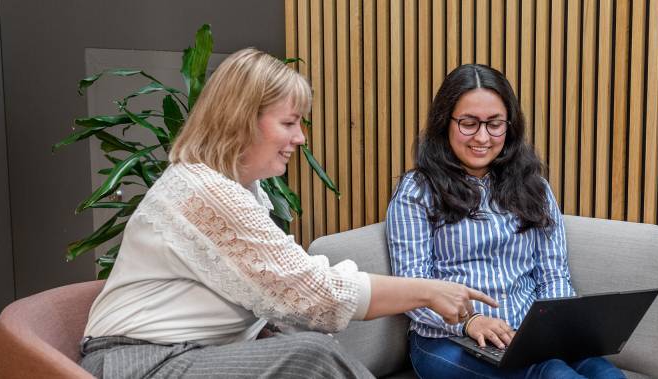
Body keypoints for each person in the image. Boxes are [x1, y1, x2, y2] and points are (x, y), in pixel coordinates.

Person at [80, 48, 496, 379]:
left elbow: (286, 284)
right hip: (139, 365)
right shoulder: (203, 192)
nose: (300, 137)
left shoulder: (239, 189)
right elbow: (313, 293)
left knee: (308, 346)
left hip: (192, 356)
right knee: (310, 356)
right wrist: (429, 291)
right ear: (241, 122)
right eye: (289, 122)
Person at [386, 63, 626, 378]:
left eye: (494, 124)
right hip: (450, 339)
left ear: (509, 126)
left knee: (609, 375)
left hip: (528, 335)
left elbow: (553, 275)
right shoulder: (416, 191)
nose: (482, 137)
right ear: (445, 123)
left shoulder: (533, 186)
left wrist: (558, 328)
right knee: (554, 374)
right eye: (469, 123)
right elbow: (411, 288)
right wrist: (468, 321)